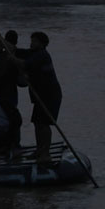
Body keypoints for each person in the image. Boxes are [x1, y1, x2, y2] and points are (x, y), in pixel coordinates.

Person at [20, 31, 62, 164]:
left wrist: (13, 59)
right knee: (37, 123)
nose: (32, 43)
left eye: (35, 41)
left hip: (50, 95)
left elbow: (24, 64)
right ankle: (39, 150)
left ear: (42, 44)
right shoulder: (33, 53)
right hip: (40, 96)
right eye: (31, 41)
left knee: (44, 124)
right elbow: (19, 52)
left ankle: (45, 153)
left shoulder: (42, 55)